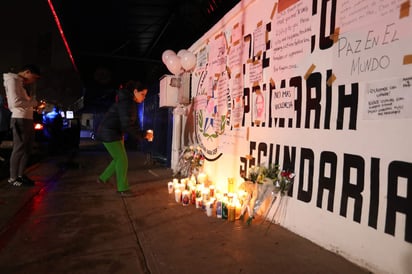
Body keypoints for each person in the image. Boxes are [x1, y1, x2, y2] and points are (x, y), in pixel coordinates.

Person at [95, 80, 153, 197]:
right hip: (110, 132)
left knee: (118, 158)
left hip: (113, 132)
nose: (144, 98)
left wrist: (142, 133)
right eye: (142, 94)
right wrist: (144, 135)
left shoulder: (129, 102)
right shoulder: (128, 103)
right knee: (122, 159)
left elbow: (132, 123)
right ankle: (122, 189)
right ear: (135, 91)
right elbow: (127, 125)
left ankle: (103, 178)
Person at [3, 64, 46, 186]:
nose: (34, 80)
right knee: (19, 148)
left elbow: (23, 102)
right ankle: (13, 178)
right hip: (19, 118)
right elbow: (15, 103)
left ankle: (21, 175)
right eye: (34, 77)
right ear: (27, 72)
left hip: (27, 118)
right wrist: (32, 102)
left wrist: (33, 106)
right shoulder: (12, 80)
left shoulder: (19, 82)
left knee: (27, 149)